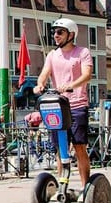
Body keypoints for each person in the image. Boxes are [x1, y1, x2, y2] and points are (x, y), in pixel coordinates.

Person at [33, 18, 93, 181]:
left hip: (77, 105)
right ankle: (62, 185)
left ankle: (85, 186)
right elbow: (44, 74)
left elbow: (87, 75)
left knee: (80, 147)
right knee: (60, 148)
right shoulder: (52, 55)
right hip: (58, 106)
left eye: (60, 32)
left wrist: (70, 85)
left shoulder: (82, 52)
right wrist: (40, 85)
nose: (56, 35)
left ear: (71, 34)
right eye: (54, 32)